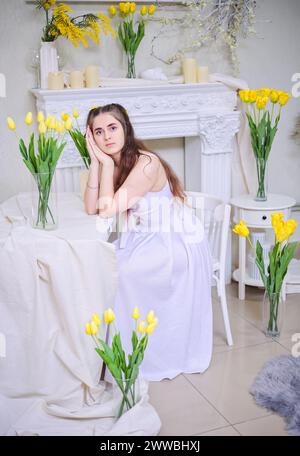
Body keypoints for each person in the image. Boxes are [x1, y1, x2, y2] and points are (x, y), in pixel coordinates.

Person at [84, 103, 213, 381]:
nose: (106, 136)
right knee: (107, 267)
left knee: (122, 273)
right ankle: (117, 350)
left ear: (126, 128)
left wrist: (103, 163)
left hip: (175, 242)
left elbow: (106, 210)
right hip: (146, 236)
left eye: (112, 127)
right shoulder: (116, 163)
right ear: (91, 138)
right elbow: (91, 207)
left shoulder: (146, 163)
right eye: (98, 132)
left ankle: (142, 354)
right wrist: (98, 163)